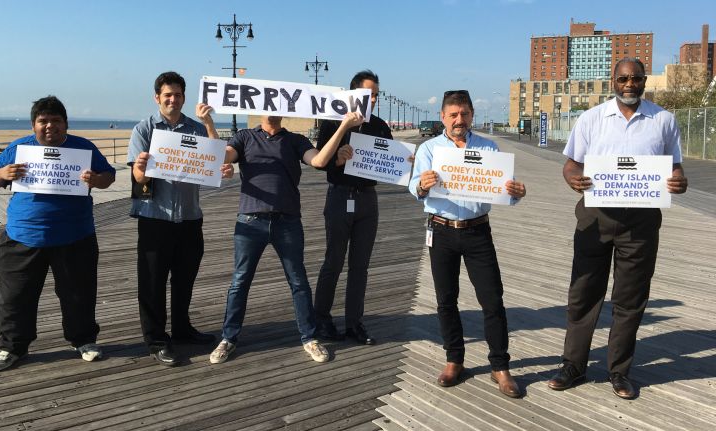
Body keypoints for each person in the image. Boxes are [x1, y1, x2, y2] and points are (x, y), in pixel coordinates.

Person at [547, 58, 688, 399]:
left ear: (644, 82)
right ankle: (573, 365)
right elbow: (571, 164)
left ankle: (620, 371)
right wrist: (572, 179)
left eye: (636, 78)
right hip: (595, 216)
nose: (629, 84)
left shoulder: (664, 121)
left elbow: (677, 168)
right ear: (613, 80)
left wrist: (679, 181)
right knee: (583, 293)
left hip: (641, 221)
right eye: (623, 78)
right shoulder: (592, 118)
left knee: (630, 297)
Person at [209, 113, 364, 364]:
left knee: (298, 281)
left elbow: (320, 161)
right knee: (240, 282)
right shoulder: (245, 136)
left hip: (287, 221)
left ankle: (309, 338)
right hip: (250, 221)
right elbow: (220, 156)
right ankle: (228, 338)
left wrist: (344, 125)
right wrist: (208, 124)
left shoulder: (295, 140)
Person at [409, 90, 526, 398]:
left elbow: (504, 191)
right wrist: (421, 185)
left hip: (477, 232)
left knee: (492, 300)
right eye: (453, 115)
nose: (459, 120)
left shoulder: (489, 147)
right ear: (443, 117)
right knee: (446, 299)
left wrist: (515, 192)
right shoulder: (429, 149)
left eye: (464, 114)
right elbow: (414, 186)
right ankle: (454, 359)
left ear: (472, 114)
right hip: (442, 230)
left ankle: (500, 366)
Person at [0, 96, 116, 371]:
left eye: (56, 121)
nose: (49, 126)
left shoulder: (83, 147)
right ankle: (12, 347)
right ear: (34, 125)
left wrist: (97, 179)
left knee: (79, 294)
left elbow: (108, 176)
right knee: (14, 297)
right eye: (43, 121)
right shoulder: (20, 147)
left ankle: (83, 340)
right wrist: (4, 173)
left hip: (74, 235)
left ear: (65, 124)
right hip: (23, 234)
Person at [128, 71, 233, 367]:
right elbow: (137, 177)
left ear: (184, 97)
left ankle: (183, 328)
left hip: (189, 217)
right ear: (157, 98)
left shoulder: (196, 129)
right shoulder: (144, 129)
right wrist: (141, 167)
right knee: (152, 282)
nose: (173, 100)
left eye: (178, 95)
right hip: (155, 218)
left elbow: (220, 158)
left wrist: (210, 124)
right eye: (167, 95)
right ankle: (157, 339)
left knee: (185, 279)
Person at [313, 70, 392, 345]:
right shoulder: (333, 122)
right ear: (353, 94)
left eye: (376, 96)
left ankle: (354, 323)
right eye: (368, 95)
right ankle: (321, 319)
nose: (372, 100)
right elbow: (320, 160)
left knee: (360, 266)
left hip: (368, 199)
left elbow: (393, 163)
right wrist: (338, 158)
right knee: (333, 261)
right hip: (339, 196)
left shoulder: (380, 125)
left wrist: (405, 162)